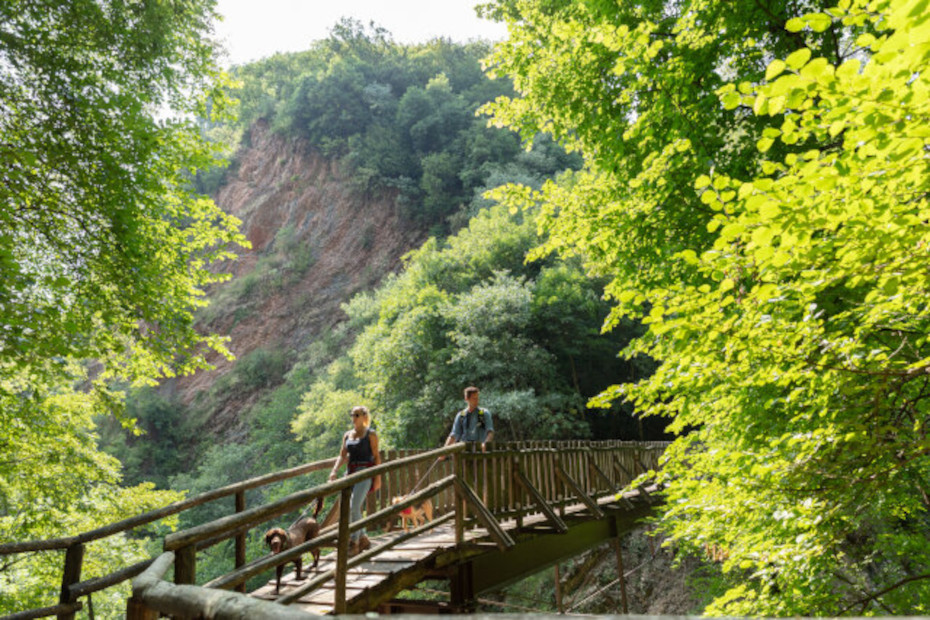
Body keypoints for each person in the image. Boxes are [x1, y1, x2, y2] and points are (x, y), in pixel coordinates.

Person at [329, 405, 381, 555]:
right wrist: (334, 471)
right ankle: (363, 537)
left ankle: (354, 542)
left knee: (353, 507)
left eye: (357, 415)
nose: (354, 418)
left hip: (365, 472)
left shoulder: (370, 434)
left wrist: (377, 477)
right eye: (352, 415)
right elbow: (342, 455)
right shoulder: (347, 435)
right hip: (350, 472)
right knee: (353, 508)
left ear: (364, 417)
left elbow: (376, 456)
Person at [444, 386, 495, 452]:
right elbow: (454, 435)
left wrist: (485, 444)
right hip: (465, 452)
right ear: (466, 399)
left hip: (481, 452)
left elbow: (490, 432)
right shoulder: (461, 415)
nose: (476, 401)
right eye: (474, 399)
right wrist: (444, 451)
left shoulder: (482, 413)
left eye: (477, 398)